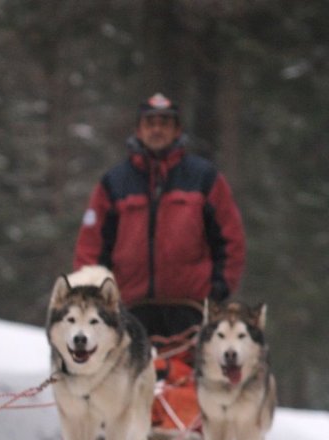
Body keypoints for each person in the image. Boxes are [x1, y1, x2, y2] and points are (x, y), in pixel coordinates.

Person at [73, 93, 245, 338]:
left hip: (191, 308)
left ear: (177, 131)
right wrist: (93, 296)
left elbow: (231, 240)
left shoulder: (205, 178)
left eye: (164, 124)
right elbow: (91, 247)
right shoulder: (114, 183)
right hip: (127, 309)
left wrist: (218, 289)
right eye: (150, 123)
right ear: (138, 130)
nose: (157, 130)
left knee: (188, 376)